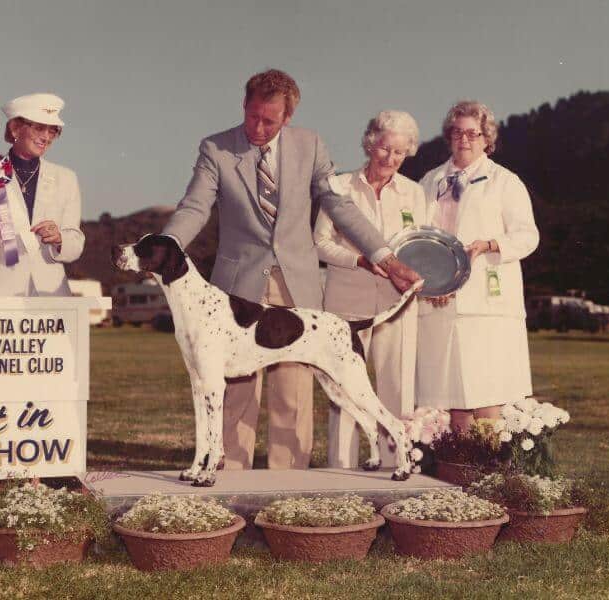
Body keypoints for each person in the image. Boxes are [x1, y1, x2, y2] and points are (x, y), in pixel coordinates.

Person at [162, 69, 420, 470]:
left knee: (294, 393)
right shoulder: (217, 148)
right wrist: (168, 246)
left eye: (269, 120)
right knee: (236, 391)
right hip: (237, 285)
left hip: (296, 282)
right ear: (244, 106)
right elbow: (195, 207)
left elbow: (339, 205)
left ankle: (290, 485)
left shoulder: (310, 145)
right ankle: (229, 478)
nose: (258, 128)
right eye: (252, 116)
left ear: (288, 118)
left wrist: (384, 256)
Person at [417, 101, 539, 431]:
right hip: (439, 301)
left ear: (487, 139)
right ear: (448, 137)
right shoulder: (430, 181)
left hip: (486, 302)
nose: (465, 139)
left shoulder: (505, 181)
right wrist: (431, 281)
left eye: (473, 133)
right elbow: (418, 238)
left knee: (488, 392)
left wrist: (489, 245)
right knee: (452, 394)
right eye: (457, 132)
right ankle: (457, 469)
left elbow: (528, 236)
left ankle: (487, 476)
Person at [314, 110, 426, 469]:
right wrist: (359, 261)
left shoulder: (414, 193)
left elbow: (421, 247)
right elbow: (319, 244)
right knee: (346, 389)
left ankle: (396, 466)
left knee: (396, 387)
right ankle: (340, 471)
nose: (390, 159)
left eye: (399, 153)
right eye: (384, 149)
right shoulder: (339, 188)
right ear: (369, 143)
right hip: (347, 302)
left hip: (398, 304)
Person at [0, 93, 84, 296]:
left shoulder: (66, 178)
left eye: (53, 131)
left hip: (51, 297)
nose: (46, 137)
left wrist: (59, 239)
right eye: (39, 127)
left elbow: (75, 244)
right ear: (15, 128)